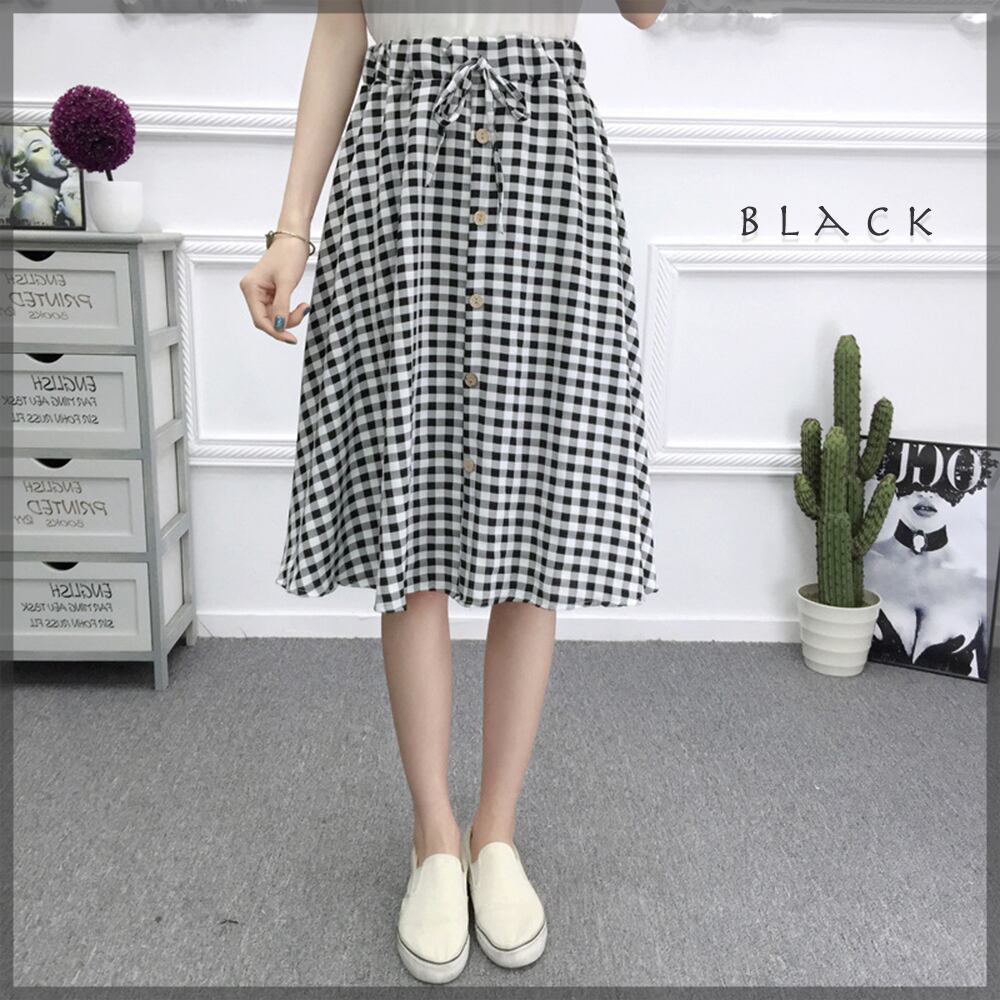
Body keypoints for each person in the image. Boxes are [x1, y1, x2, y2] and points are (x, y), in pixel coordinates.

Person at [239, 0, 663, 984]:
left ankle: (495, 831)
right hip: (401, 160)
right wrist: (292, 227)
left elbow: (643, 11)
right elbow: (341, 24)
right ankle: (435, 836)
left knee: (537, 509)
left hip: (545, 158)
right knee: (409, 508)